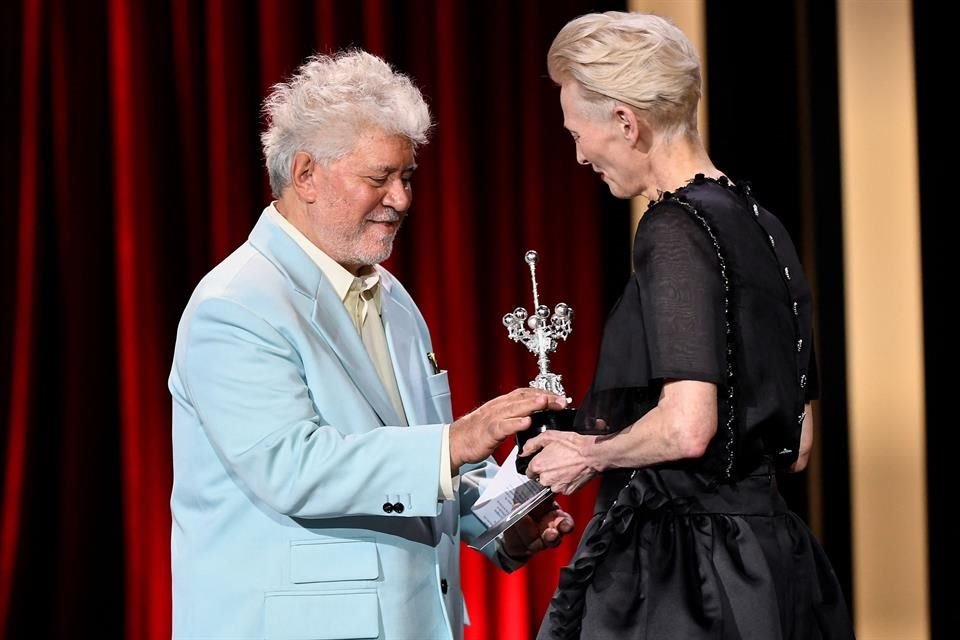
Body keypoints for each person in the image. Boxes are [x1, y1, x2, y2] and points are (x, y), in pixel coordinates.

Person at [168, 49, 574, 640]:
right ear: (305, 174)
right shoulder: (234, 306)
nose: (401, 199)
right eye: (378, 178)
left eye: (406, 177)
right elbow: (294, 467)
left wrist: (499, 520)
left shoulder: (391, 295)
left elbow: (419, 452)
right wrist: (456, 441)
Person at [521, 12, 856, 639]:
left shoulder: (673, 229)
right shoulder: (763, 224)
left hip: (687, 577)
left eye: (577, 132)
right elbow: (800, 443)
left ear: (626, 120)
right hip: (771, 561)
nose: (577, 154)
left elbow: (688, 424)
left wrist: (591, 454)